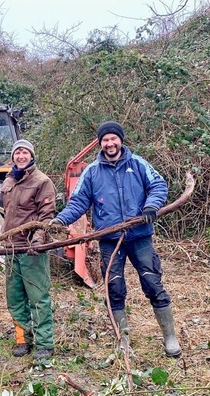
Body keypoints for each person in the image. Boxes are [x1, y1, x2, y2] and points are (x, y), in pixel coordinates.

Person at [52, 121, 182, 357]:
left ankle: (170, 337)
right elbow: (79, 202)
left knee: (153, 283)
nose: (110, 143)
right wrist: (60, 221)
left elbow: (158, 185)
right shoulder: (91, 172)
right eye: (105, 140)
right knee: (114, 288)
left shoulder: (138, 164)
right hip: (110, 239)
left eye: (113, 139)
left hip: (139, 236)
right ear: (100, 144)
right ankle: (123, 341)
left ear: (120, 140)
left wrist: (151, 206)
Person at [0, 139, 57, 360]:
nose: (21, 156)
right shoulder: (9, 181)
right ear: (13, 157)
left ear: (31, 156)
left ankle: (45, 343)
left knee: (38, 297)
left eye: (25, 152)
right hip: (10, 247)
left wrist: (38, 239)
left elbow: (47, 216)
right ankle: (23, 340)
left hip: (32, 249)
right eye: (17, 153)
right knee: (14, 298)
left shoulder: (42, 181)